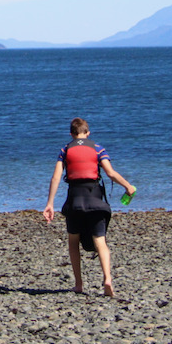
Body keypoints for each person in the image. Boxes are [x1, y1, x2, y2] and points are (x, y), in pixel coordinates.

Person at [42, 118, 136, 297]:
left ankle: (78, 284)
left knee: (73, 241)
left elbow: (55, 178)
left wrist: (50, 203)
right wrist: (128, 186)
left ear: (71, 134)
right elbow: (110, 173)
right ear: (88, 133)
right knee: (100, 240)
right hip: (94, 199)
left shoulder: (65, 150)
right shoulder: (98, 149)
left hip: (74, 200)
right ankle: (107, 278)